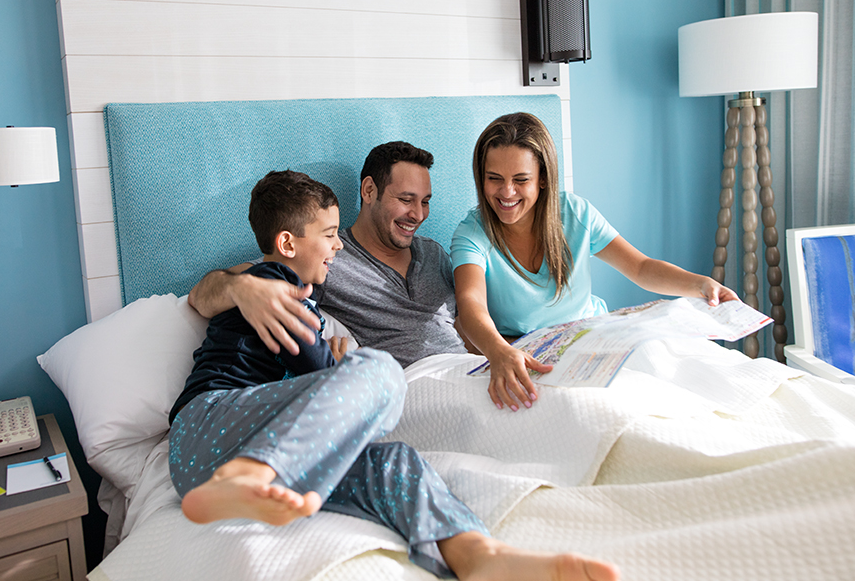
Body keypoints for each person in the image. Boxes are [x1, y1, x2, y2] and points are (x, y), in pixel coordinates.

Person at [170, 169, 621, 581]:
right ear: (289, 244)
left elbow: (311, 381)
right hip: (209, 427)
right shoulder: (271, 283)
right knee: (380, 369)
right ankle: (248, 476)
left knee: (395, 463)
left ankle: (475, 554)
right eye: (329, 234)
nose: (338, 245)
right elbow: (215, 301)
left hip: (228, 460)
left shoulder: (312, 292)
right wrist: (341, 366)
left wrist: (331, 365)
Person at [451, 112, 740, 412]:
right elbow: (470, 302)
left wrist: (702, 285)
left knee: (681, 377)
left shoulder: (575, 214)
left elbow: (640, 267)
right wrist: (498, 351)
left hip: (594, 337)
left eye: (521, 180)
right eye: (494, 179)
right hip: (528, 352)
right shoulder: (472, 234)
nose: (506, 192)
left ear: (543, 180)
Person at [188, 142, 469, 367]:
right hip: (415, 387)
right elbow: (201, 294)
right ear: (369, 190)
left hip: (469, 370)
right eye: (406, 200)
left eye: (425, 202)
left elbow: (463, 325)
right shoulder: (324, 259)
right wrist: (241, 287)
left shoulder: (433, 252)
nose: (418, 214)